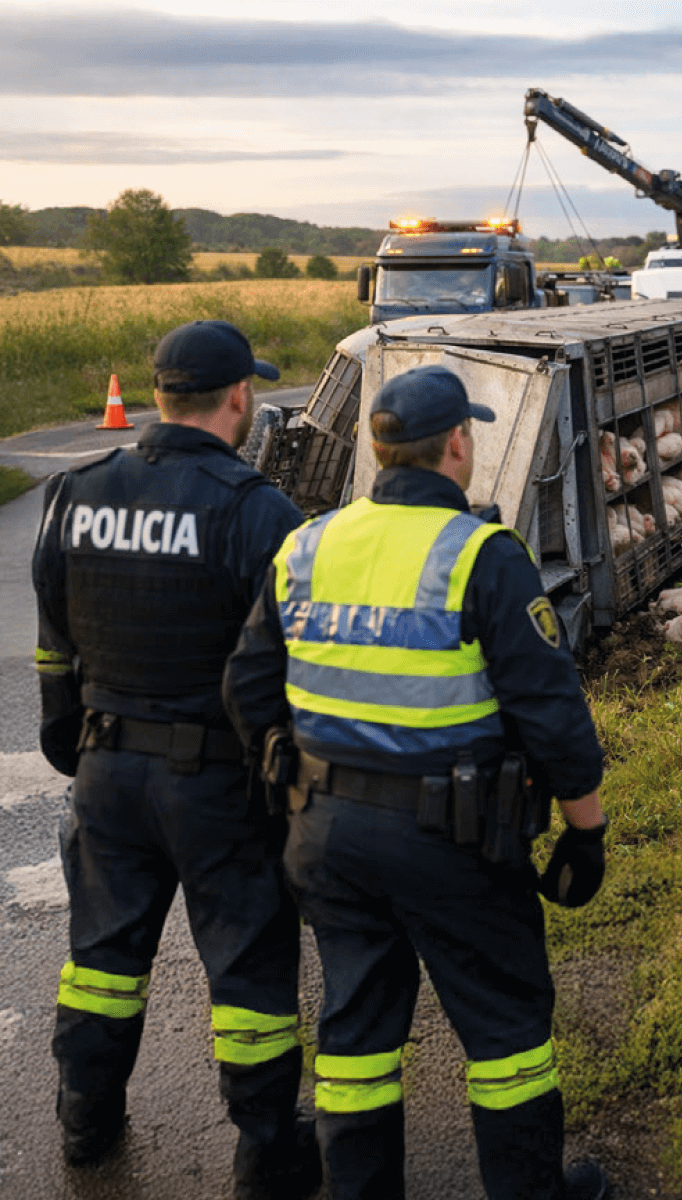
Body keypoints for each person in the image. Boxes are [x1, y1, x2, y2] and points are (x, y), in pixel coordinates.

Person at [223, 364, 609, 1200]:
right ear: (459, 446)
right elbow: (553, 720)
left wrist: (296, 785)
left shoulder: (307, 544)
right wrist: (586, 830)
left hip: (326, 835)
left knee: (356, 1027)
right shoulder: (480, 555)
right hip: (456, 841)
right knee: (506, 1030)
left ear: (377, 446)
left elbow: (248, 691)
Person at [31, 320, 317, 1197]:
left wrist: (65, 730)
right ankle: (267, 1150)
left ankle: (86, 1118)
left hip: (105, 768)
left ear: (157, 394)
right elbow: (288, 664)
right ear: (239, 398)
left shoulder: (75, 493)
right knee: (248, 968)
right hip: (218, 781)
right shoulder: (255, 508)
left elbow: (53, 637)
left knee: (101, 961)